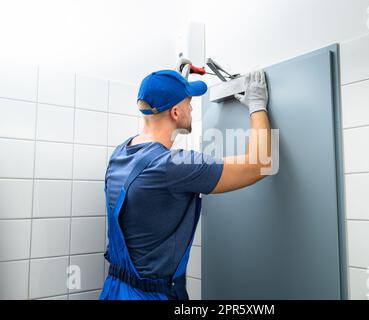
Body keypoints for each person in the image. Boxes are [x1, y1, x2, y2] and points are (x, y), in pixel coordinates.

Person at [99, 69, 272, 300]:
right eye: (189, 102)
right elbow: (261, 163)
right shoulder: (173, 165)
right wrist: (258, 106)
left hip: (114, 290)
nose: (191, 108)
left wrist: (174, 83)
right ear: (175, 112)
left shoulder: (121, 153)